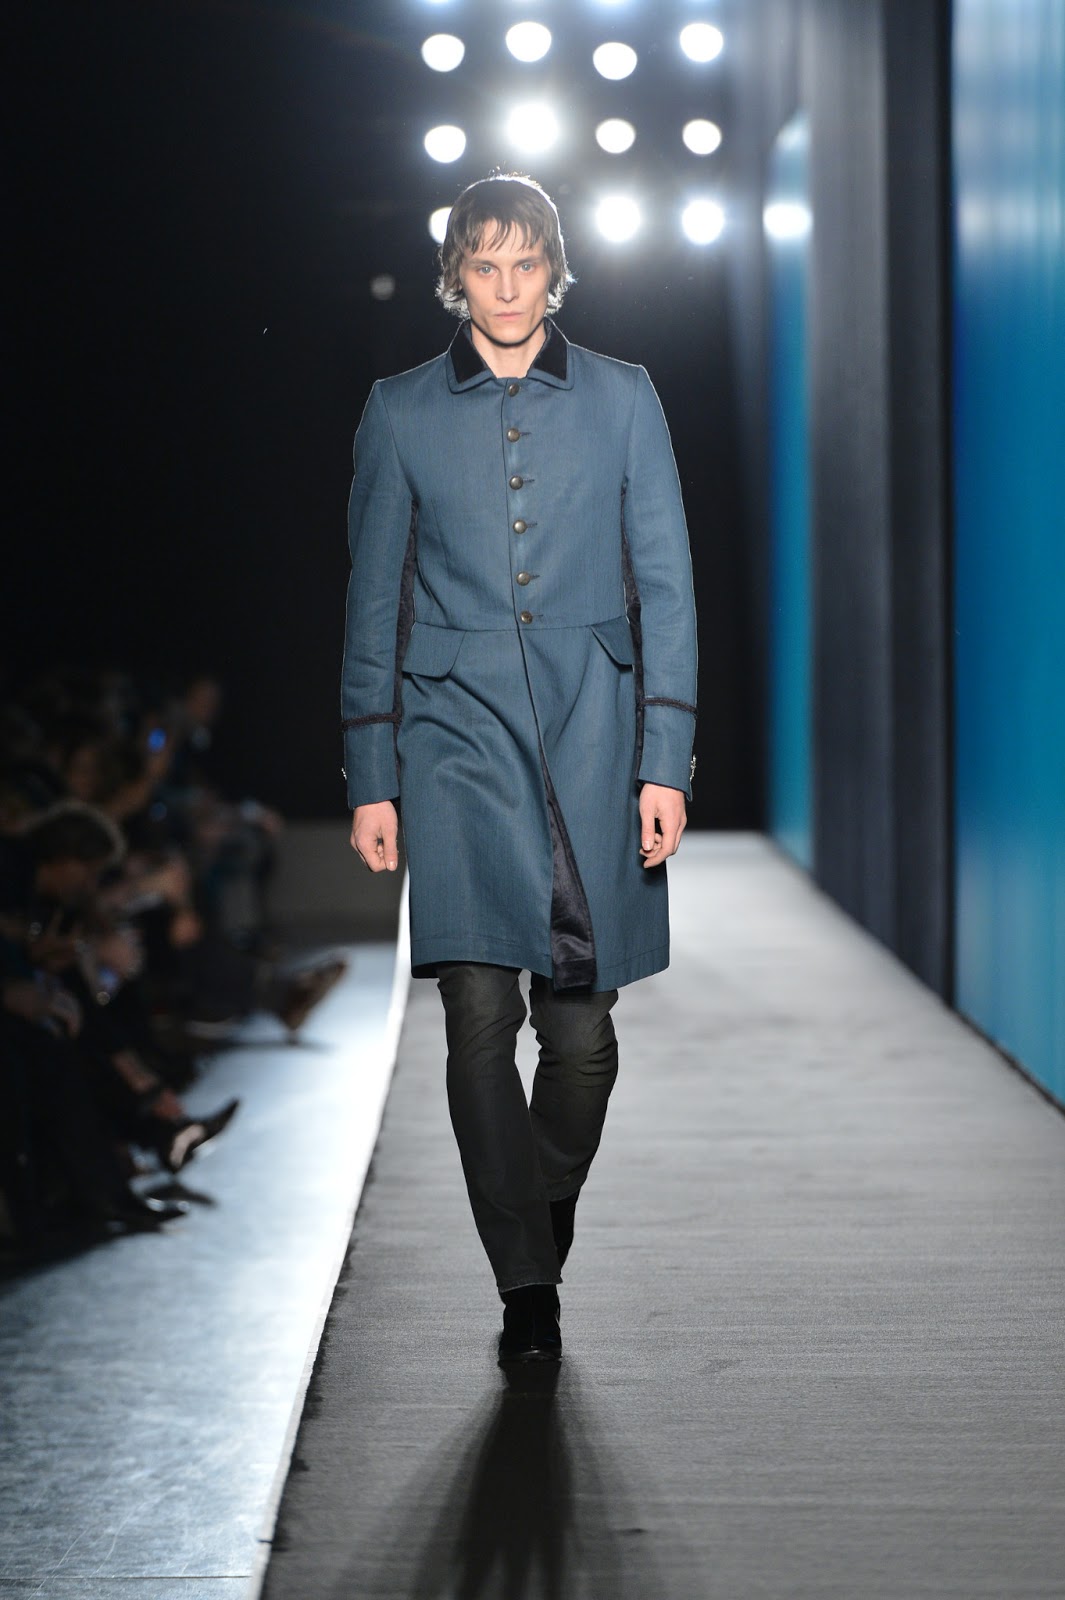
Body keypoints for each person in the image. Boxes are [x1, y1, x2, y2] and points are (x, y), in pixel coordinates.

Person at [341, 173, 697, 1364]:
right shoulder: (399, 411)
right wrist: (372, 771)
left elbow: (667, 588)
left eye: (525, 263)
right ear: (456, 275)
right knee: (478, 1019)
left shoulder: (624, 397)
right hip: (452, 740)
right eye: (483, 265)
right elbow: (373, 602)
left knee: (582, 1038)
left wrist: (664, 759)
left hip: (597, 736)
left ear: (555, 270)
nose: (506, 287)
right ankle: (526, 1287)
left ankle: (537, 1209)